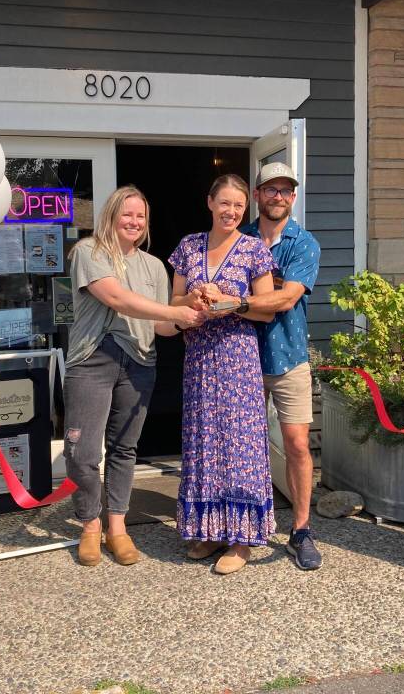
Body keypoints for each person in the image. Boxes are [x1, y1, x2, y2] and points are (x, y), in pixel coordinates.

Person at [63, 185, 205, 567]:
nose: (134, 222)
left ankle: (118, 527)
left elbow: (160, 325)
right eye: (127, 214)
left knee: (125, 449)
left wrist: (192, 316)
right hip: (93, 359)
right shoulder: (89, 252)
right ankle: (90, 524)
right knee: (82, 452)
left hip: (140, 362)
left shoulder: (154, 266)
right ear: (111, 215)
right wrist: (176, 312)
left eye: (141, 216)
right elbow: (115, 298)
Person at [169, 174, 277, 575]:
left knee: (240, 444)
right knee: (204, 440)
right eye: (225, 203)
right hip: (199, 358)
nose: (231, 211)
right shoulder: (188, 247)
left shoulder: (253, 249)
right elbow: (173, 301)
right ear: (210, 202)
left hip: (237, 357)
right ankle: (211, 529)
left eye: (239, 205)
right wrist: (194, 298)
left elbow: (267, 308)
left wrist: (233, 303)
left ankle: (242, 539)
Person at [233, 161, 323, 571]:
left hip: (289, 359)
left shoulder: (304, 243)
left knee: (297, 446)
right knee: (243, 447)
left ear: (293, 197)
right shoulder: (238, 238)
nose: (279, 196)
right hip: (241, 358)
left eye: (287, 190)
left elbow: (287, 300)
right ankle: (243, 528)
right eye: (271, 189)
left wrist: (234, 304)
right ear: (257, 194)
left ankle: (301, 529)